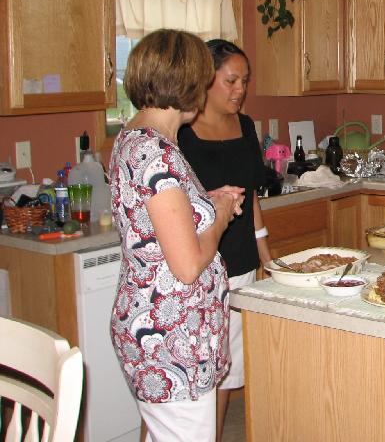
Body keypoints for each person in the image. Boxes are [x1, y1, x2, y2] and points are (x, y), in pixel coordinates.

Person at [108, 29, 245, 442]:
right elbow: (187, 265)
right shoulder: (158, 154)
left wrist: (206, 203)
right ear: (188, 82)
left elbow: (162, 220)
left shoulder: (138, 138)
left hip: (163, 328)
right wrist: (220, 215)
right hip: (170, 338)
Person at [177, 39, 271, 441]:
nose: (240, 90)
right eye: (231, 80)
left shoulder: (245, 126)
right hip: (201, 268)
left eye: (245, 81)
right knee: (194, 380)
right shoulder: (180, 133)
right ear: (205, 79)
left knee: (227, 374)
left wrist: (267, 257)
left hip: (242, 264)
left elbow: (251, 198)